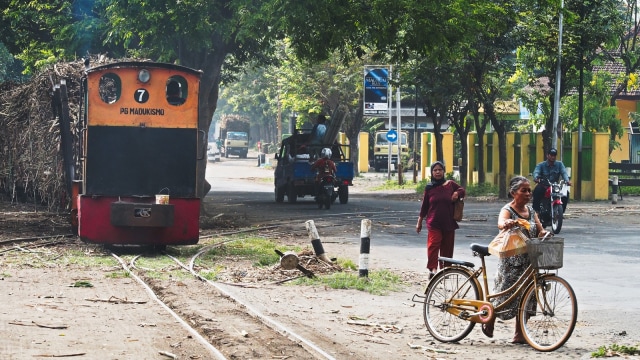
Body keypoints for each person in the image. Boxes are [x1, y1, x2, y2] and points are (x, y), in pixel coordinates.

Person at [482, 176, 549, 343]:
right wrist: (507, 223)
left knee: (527, 296)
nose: (528, 193)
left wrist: (545, 234)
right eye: (523, 190)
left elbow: (539, 229)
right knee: (505, 293)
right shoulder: (508, 209)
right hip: (512, 261)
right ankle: (491, 317)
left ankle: (519, 333)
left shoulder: (531, 211)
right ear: (513, 193)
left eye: (529, 190)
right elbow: (500, 222)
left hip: (529, 261)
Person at [415, 161, 465, 280]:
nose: (437, 172)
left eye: (440, 170)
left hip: (448, 222)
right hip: (433, 222)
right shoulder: (429, 188)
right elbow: (424, 206)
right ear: (432, 173)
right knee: (433, 245)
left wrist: (457, 193)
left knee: (447, 247)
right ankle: (433, 269)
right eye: (435, 170)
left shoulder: (450, 184)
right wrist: (419, 221)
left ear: (443, 171)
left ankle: (445, 270)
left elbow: (462, 190)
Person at [532, 147, 571, 214]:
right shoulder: (541, 165)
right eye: (551, 155)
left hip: (555, 186)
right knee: (537, 191)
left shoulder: (559, 164)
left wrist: (567, 180)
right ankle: (536, 211)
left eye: (554, 155)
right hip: (544, 185)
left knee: (566, 193)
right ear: (547, 155)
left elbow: (564, 173)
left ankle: (561, 212)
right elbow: (536, 172)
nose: (553, 157)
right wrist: (536, 178)